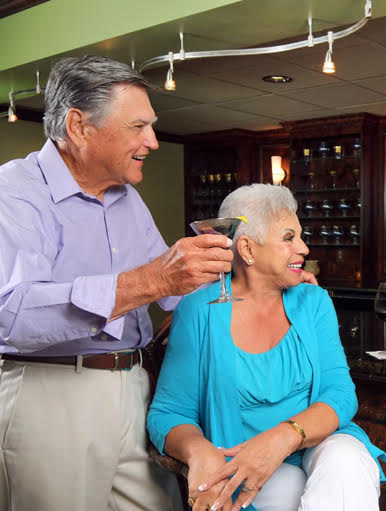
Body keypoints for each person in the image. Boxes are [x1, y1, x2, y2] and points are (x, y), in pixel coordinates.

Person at [0, 55, 237, 510]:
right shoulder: (15, 191)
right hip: (50, 396)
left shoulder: (126, 196)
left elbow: (171, 290)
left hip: (133, 386)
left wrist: (261, 281)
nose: (153, 140)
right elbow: (10, 314)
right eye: (138, 127)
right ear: (79, 126)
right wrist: (149, 281)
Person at [147, 183, 386, 511]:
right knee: (288, 487)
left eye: (300, 237)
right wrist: (199, 452)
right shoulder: (198, 309)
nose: (303, 248)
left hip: (317, 445)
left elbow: (340, 394)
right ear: (247, 249)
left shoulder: (313, 301)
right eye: (289, 238)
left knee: (345, 460)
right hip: (242, 463)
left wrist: (281, 439)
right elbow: (169, 413)